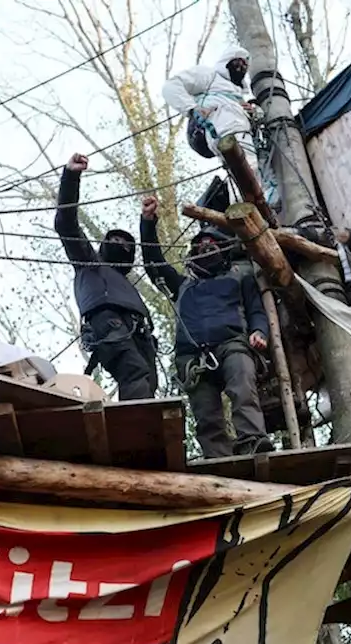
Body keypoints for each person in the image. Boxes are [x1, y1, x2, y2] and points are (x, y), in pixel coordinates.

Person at [140, 196, 274, 458]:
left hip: (232, 344)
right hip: (192, 356)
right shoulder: (182, 285)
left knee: (243, 387)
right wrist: (148, 223)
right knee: (205, 413)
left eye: (211, 244)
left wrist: (260, 332)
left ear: (223, 251)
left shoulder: (240, 278)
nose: (205, 248)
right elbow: (153, 262)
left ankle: (252, 440)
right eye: (200, 245)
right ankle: (217, 457)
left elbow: (256, 310)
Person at [54, 153, 158, 400]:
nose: (119, 243)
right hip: (107, 320)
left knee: (148, 382)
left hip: (139, 329)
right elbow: (66, 224)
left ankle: (143, 429)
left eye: (125, 242)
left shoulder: (125, 282)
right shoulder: (88, 261)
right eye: (113, 239)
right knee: (134, 370)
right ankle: (135, 427)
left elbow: (156, 260)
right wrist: (71, 177)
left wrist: (148, 222)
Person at [161, 46, 278, 209]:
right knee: (243, 168)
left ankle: (253, 208)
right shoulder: (208, 76)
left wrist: (253, 112)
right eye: (237, 63)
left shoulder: (237, 94)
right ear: (226, 62)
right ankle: (244, 208)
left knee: (249, 169)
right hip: (223, 128)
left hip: (240, 132)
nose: (241, 68)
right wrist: (191, 109)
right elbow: (171, 86)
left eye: (245, 65)